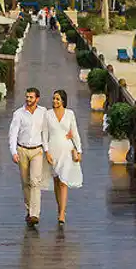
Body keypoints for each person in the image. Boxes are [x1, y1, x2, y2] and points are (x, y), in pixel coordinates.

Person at [8, 86, 49, 227]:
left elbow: (47, 131)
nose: (28, 99)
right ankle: (29, 209)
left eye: (31, 97)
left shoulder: (43, 112)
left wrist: (48, 149)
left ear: (37, 99)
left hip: (37, 150)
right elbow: (13, 134)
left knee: (35, 182)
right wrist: (13, 152)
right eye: (27, 97)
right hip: (22, 150)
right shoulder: (18, 114)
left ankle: (34, 214)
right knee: (25, 183)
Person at [43, 89, 83, 226]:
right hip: (53, 150)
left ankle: (62, 213)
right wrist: (46, 151)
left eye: (58, 99)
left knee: (63, 182)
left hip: (67, 150)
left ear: (63, 101)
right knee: (56, 180)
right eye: (54, 98)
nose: (55, 101)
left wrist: (79, 150)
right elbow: (44, 135)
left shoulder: (70, 114)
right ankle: (59, 208)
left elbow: (75, 132)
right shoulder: (47, 114)